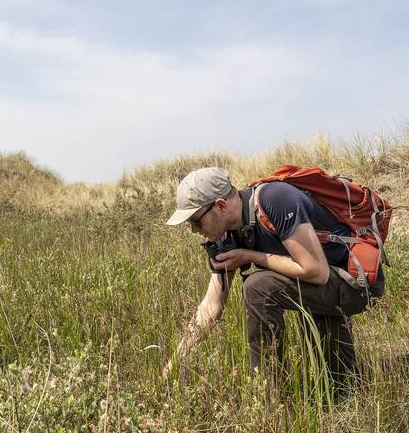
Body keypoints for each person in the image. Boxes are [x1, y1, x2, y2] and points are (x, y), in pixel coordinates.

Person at [163, 167, 384, 393]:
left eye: (195, 221)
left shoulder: (275, 199)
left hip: (355, 283)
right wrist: (174, 363)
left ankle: (267, 395)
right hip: (320, 290)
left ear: (220, 206)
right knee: (340, 386)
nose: (192, 230)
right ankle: (349, 385)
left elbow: (316, 271)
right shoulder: (228, 235)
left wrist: (249, 256)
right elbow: (211, 305)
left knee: (259, 287)